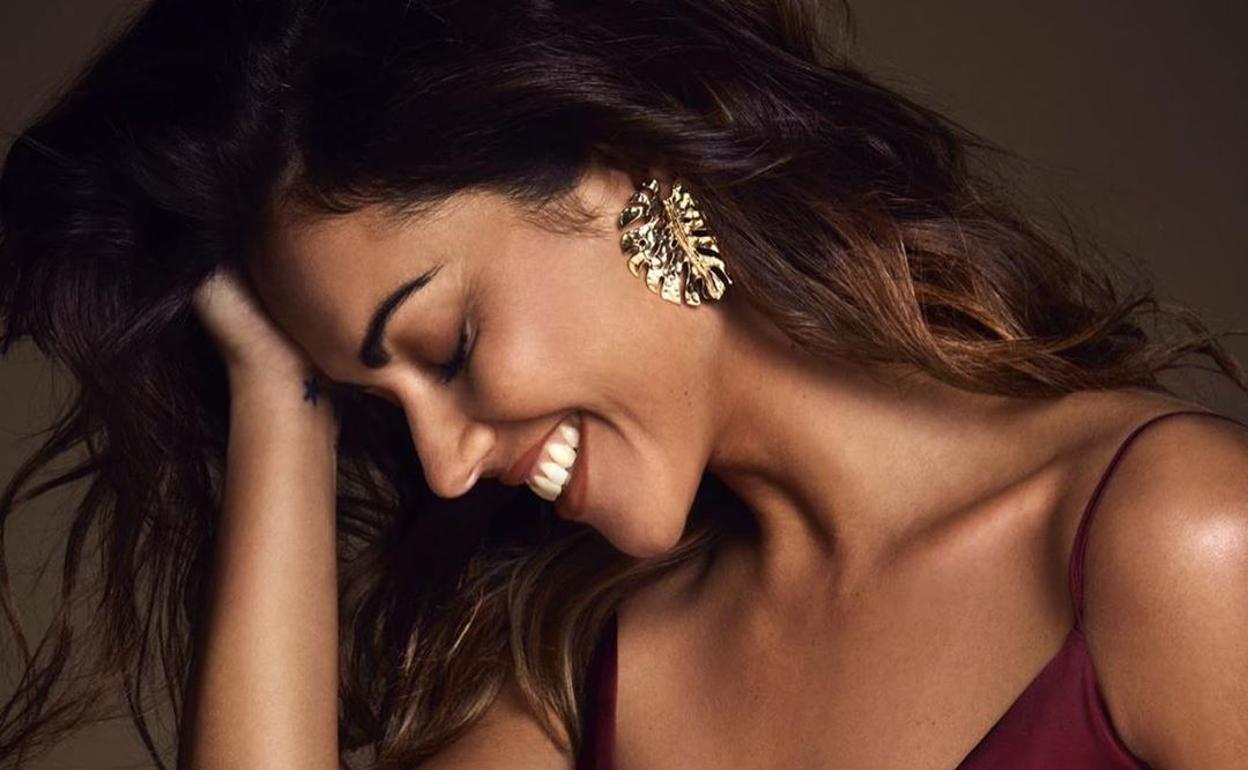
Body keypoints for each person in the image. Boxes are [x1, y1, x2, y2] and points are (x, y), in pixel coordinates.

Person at [1, 1, 1245, 768]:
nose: (444, 464)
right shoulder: (582, 665)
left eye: (446, 347)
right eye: (381, 403)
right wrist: (280, 385)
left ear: (622, 174)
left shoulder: (1176, 547)